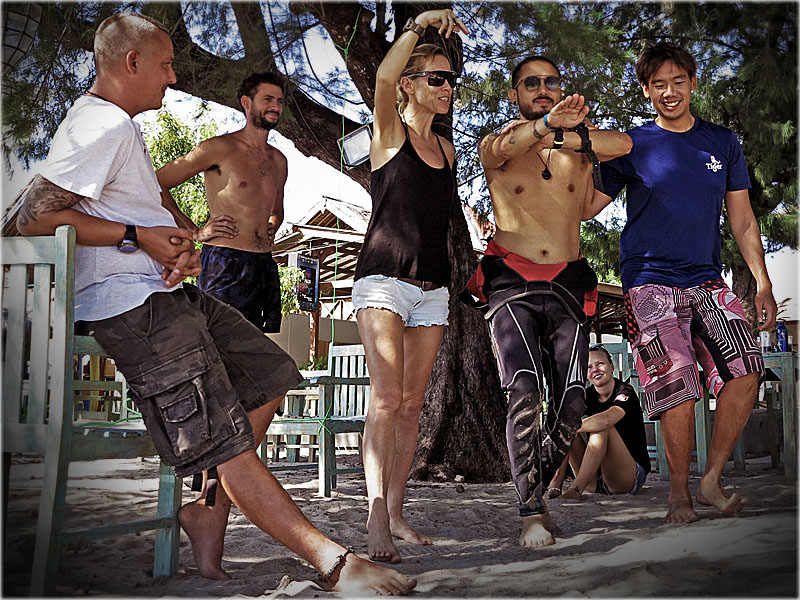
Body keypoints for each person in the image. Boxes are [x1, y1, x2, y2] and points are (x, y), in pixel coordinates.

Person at [16, 12, 415, 595]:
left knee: (272, 373)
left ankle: (208, 505)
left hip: (169, 288)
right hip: (130, 306)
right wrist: (137, 238)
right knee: (223, 432)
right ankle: (334, 564)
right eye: (166, 64)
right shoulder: (98, 125)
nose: (174, 78)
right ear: (132, 63)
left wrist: (178, 239)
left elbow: (144, 200)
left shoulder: (118, 129)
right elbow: (32, 217)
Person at [586, 41, 778, 524]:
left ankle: (711, 478)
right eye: (658, 85)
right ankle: (678, 495)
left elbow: (743, 220)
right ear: (647, 90)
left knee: (746, 367)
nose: (669, 92)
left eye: (677, 82)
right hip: (647, 279)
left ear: (692, 83)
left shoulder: (722, 143)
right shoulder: (633, 144)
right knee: (678, 379)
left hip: (705, 278)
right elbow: (585, 206)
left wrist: (762, 282)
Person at [471, 55, 632, 548]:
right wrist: (545, 126)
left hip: (566, 280)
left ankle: (535, 488)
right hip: (510, 281)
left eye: (552, 81)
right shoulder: (497, 146)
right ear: (515, 94)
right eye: (531, 83)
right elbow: (500, 146)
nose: (543, 88)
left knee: (572, 403)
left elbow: (625, 144)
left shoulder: (578, 150)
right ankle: (530, 511)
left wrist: (563, 133)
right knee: (522, 390)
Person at [352, 9, 468, 563]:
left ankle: (397, 512)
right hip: (384, 281)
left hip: (434, 288)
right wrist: (419, 26)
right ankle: (374, 517)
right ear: (410, 86)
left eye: (451, 80)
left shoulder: (446, 151)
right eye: (436, 79)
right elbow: (379, 79)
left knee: (413, 404)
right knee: (387, 398)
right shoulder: (389, 133)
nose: (447, 87)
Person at [156, 71, 287, 335]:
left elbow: (277, 210)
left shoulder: (279, 160)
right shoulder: (218, 148)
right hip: (225, 262)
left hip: (263, 265)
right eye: (268, 99)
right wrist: (195, 232)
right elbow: (155, 184)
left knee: (257, 348)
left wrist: (273, 223)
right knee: (219, 342)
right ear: (247, 103)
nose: (275, 107)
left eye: (280, 101)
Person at [546, 345, 650, 500]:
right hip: (594, 479)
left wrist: (570, 426)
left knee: (601, 427)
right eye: (589, 367)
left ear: (611, 366)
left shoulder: (625, 391)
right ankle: (555, 485)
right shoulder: (586, 396)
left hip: (626, 478)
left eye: (600, 364)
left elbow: (607, 419)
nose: (595, 369)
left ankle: (576, 489)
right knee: (564, 429)